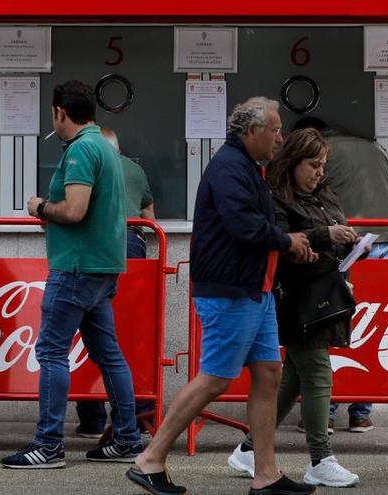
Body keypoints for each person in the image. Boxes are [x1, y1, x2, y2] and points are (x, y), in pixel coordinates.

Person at [127, 97, 317, 495]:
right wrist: (286, 240)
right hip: (231, 291)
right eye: (275, 130)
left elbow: (255, 222)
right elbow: (243, 224)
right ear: (252, 131)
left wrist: (290, 240)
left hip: (254, 290)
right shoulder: (230, 167)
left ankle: (266, 474)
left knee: (269, 374)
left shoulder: (249, 167)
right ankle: (149, 459)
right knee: (215, 378)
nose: (281, 138)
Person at [1, 80, 142, 469]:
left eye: (53, 115)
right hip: (102, 266)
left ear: (60, 113)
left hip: (76, 265)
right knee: (109, 354)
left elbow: (75, 210)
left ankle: (48, 444)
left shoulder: (80, 150)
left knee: (50, 351)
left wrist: (41, 207)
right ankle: (128, 438)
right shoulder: (107, 148)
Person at [227, 128, 361, 488]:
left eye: (323, 166)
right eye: (313, 165)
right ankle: (320, 457)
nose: (319, 172)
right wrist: (326, 235)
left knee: (292, 378)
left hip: (323, 294)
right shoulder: (276, 198)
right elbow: (283, 243)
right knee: (317, 372)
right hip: (295, 298)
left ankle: (249, 448)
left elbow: (328, 236)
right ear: (294, 162)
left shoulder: (323, 196)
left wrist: (347, 241)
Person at [293, 116, 388, 434]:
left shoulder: (322, 153)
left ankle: (324, 412)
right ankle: (361, 413)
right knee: (375, 327)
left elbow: (310, 201)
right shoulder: (376, 148)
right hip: (386, 241)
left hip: (347, 243)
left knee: (332, 320)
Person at [74, 127, 156, 439]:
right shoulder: (135, 169)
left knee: (89, 329)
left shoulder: (85, 163)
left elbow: (72, 211)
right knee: (133, 334)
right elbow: (149, 214)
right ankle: (138, 412)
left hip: (94, 248)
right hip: (133, 247)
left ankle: (92, 416)